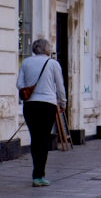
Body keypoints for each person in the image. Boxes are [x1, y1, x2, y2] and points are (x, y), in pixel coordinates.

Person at [16, 38, 67, 188]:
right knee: (44, 139)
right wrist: (62, 103)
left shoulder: (26, 63)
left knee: (35, 138)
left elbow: (19, 84)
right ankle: (39, 175)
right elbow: (60, 86)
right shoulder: (53, 64)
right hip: (47, 106)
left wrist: (30, 88)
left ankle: (37, 173)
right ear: (46, 49)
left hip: (30, 105)